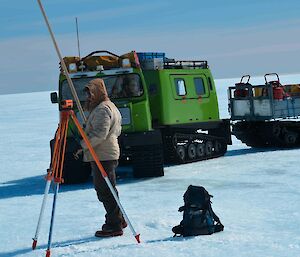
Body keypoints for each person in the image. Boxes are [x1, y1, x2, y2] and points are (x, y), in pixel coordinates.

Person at [74, 78, 126, 237]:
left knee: (105, 190)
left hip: (103, 154)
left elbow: (99, 134)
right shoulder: (106, 106)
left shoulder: (103, 109)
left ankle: (114, 225)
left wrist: (82, 145)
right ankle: (118, 219)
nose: (89, 97)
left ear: (98, 91)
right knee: (107, 188)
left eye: (91, 93)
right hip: (103, 153)